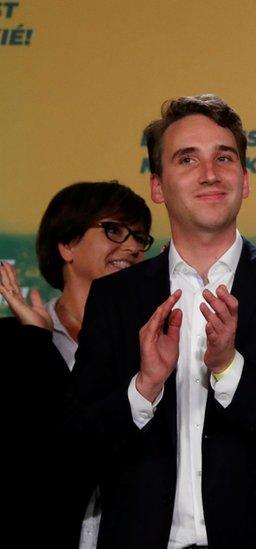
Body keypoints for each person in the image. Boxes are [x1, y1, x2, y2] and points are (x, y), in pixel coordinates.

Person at [72, 95, 256, 548]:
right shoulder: (116, 297)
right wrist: (145, 386)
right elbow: (77, 451)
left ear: (245, 181)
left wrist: (230, 368)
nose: (210, 174)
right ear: (158, 186)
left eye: (224, 158)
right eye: (187, 159)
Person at [0, 181, 152, 548]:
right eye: (114, 230)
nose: (132, 246)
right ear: (66, 244)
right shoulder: (13, 344)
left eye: (140, 238)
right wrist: (38, 346)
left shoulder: (154, 347)